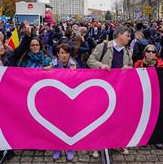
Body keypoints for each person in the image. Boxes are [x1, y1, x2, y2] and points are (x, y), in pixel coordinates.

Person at [87, 26, 132, 156]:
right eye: (127, 35)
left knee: (117, 117)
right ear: (119, 35)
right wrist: (101, 65)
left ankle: (117, 143)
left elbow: (131, 64)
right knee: (100, 116)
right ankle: (96, 146)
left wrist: (128, 67)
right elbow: (90, 61)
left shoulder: (128, 51)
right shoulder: (104, 46)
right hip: (102, 89)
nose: (129, 38)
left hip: (119, 90)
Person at [51, 44, 76, 161]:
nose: (64, 55)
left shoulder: (75, 64)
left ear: (69, 54)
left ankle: (70, 147)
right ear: (58, 54)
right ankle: (57, 147)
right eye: (61, 53)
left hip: (71, 100)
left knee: (70, 124)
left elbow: (81, 80)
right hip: (57, 100)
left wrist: (75, 72)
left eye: (66, 53)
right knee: (56, 124)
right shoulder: (53, 65)